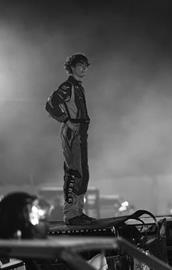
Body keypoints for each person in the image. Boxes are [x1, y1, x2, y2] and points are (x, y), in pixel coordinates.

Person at [45, 53, 95, 225]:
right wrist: (66, 120)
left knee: (83, 173)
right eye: (81, 65)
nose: (84, 69)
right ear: (72, 67)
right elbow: (50, 104)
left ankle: (78, 212)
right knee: (74, 172)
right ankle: (71, 215)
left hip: (81, 132)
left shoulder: (79, 87)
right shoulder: (68, 86)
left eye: (86, 66)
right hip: (72, 132)